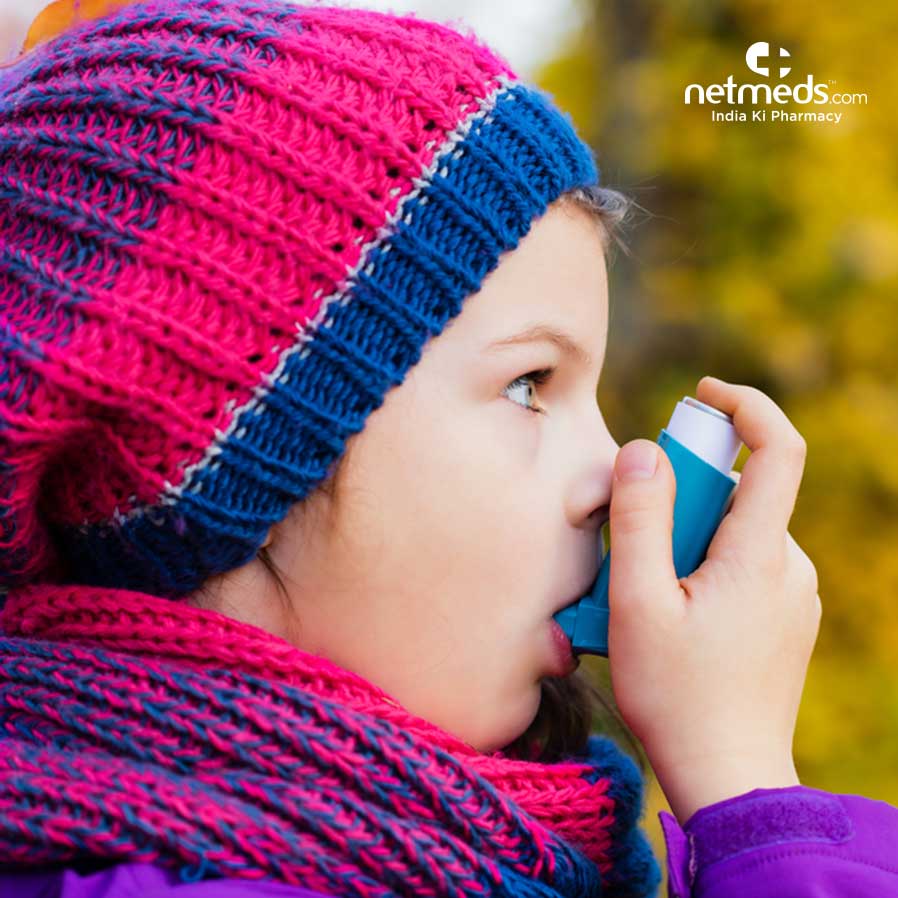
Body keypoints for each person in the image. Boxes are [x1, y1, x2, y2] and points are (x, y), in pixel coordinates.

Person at [0, 1, 896, 896]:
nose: (607, 474)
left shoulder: (483, 840)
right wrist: (751, 797)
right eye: (528, 384)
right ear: (234, 473)